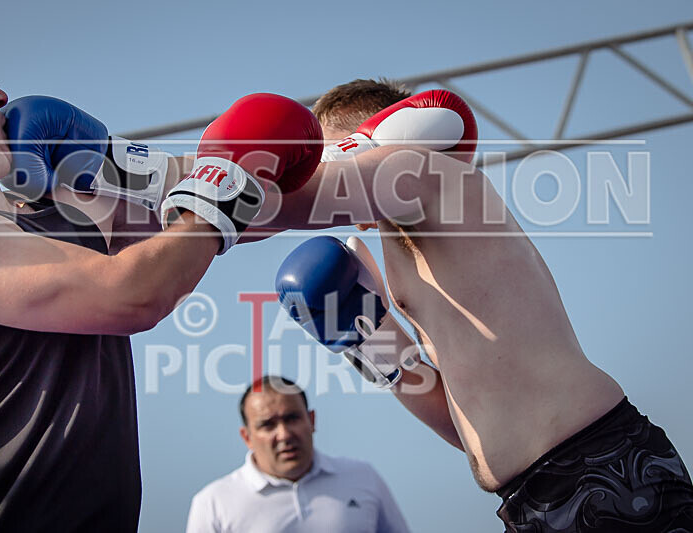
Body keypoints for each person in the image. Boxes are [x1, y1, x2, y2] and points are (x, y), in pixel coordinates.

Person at [0, 11, 324, 532]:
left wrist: (377, 159)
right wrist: (221, 186)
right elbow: (135, 294)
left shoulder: (54, 212)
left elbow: (231, 213)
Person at [272, 79, 693, 531]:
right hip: (530, 497)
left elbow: (305, 198)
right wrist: (372, 342)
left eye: (325, 154)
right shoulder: (402, 245)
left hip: (596, 461)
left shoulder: (428, 177)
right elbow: (464, 423)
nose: (316, 169)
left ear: (372, 137)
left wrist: (207, 190)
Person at [185, 375, 410, 533]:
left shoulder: (363, 477)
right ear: (247, 437)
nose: (283, 434)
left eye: (292, 418)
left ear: (311, 420)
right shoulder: (214, 503)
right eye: (267, 425)